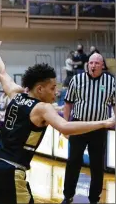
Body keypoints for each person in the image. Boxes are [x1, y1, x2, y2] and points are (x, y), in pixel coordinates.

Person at [0, 30, 115, 204]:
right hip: (12, 171)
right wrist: (104, 122)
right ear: (39, 89)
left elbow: (1, 72)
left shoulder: (15, 93)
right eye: (52, 88)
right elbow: (65, 126)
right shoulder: (42, 108)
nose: (56, 92)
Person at [62, 53, 115, 204]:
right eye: (91, 63)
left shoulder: (110, 81)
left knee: (97, 166)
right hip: (78, 126)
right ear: (87, 64)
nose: (93, 65)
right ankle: (68, 196)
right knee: (73, 163)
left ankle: (94, 199)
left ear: (102, 65)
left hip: (99, 128)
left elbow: (115, 103)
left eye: (96, 63)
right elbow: (68, 103)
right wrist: (65, 125)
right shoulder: (76, 80)